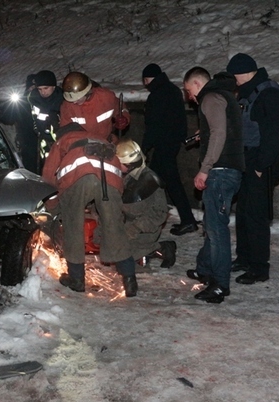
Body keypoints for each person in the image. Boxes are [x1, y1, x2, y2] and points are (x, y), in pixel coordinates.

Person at [42, 123, 138, 297]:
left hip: (78, 177)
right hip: (111, 178)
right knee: (114, 227)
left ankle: (76, 279)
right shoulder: (100, 139)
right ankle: (130, 279)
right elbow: (116, 183)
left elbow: (49, 176)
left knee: (73, 226)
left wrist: (51, 205)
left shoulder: (62, 140)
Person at [182, 67, 244, 304]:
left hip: (220, 171)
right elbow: (221, 129)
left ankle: (219, 284)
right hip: (227, 169)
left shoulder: (210, 98)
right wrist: (204, 133)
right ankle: (205, 269)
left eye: (189, 90)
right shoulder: (224, 95)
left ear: (197, 84)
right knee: (212, 223)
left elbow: (219, 133)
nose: (189, 97)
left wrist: (205, 168)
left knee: (217, 230)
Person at [226, 53, 279, 285]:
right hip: (247, 159)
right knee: (243, 212)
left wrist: (261, 165)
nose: (234, 81)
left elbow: (274, 135)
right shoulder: (248, 91)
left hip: (260, 162)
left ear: (243, 73)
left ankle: (259, 267)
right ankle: (244, 258)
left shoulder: (269, 93)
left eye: (235, 76)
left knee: (256, 216)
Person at [140, 63, 198, 236]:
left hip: (163, 144)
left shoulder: (157, 95)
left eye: (145, 80)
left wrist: (144, 147)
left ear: (148, 79)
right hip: (171, 142)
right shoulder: (172, 90)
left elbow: (153, 125)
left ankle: (186, 220)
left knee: (166, 182)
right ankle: (153, 215)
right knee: (156, 180)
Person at [115, 138, 176, 270]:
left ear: (127, 164)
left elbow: (159, 214)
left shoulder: (151, 181)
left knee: (126, 264)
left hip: (144, 229)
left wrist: (134, 228)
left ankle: (161, 248)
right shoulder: (127, 177)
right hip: (129, 224)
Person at [59, 71, 130, 142]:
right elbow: (66, 133)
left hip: (107, 141)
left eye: (77, 98)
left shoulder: (106, 97)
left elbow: (120, 107)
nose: (74, 102)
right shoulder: (67, 107)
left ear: (87, 93)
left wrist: (124, 117)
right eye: (71, 100)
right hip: (83, 145)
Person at [0, 74, 39, 173]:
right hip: (27, 143)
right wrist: (10, 105)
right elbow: (6, 119)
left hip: (45, 143)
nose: (33, 90)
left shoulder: (46, 102)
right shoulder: (21, 103)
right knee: (30, 168)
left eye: (36, 88)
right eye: (31, 87)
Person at [27, 70, 64, 173]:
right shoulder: (34, 99)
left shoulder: (63, 99)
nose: (43, 92)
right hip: (44, 141)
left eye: (46, 88)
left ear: (53, 86)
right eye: (40, 89)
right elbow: (34, 116)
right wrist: (37, 128)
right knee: (48, 169)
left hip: (61, 140)